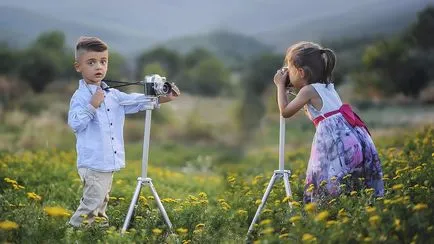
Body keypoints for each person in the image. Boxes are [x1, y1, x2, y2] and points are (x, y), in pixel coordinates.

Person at [67, 36, 180, 227]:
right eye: (91, 62)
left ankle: (97, 232)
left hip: (107, 161)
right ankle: (72, 232)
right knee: (91, 203)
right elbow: (75, 124)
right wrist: (92, 106)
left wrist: (164, 98)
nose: (98, 67)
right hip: (94, 162)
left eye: (103, 62)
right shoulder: (80, 96)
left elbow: (136, 100)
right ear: (78, 66)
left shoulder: (113, 95)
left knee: (101, 202)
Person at [273, 41, 384, 203]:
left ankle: (328, 213)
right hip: (354, 138)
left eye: (289, 69)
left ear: (301, 72)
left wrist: (279, 86)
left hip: (335, 143)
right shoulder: (326, 86)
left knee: (326, 181)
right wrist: (288, 88)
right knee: (352, 182)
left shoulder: (308, 91)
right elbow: (312, 109)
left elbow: (285, 111)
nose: (287, 74)